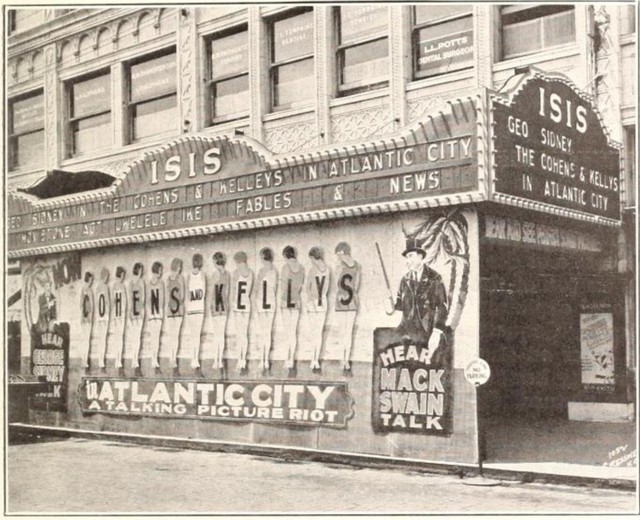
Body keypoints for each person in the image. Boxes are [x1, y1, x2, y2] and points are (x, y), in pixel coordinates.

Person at [393, 237, 448, 363]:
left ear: (420, 256)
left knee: (427, 371)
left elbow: (442, 307)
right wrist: (390, 308)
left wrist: (437, 332)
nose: (408, 261)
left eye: (411, 256)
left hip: (427, 335)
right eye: (406, 257)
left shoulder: (435, 278)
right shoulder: (404, 279)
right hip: (408, 336)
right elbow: (399, 307)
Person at [334, 241, 360, 371]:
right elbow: (356, 287)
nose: (338, 258)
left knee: (345, 333)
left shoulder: (341, 267)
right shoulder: (357, 266)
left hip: (343, 301)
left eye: (339, 255)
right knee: (346, 333)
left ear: (343, 253)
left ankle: (344, 359)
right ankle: (345, 360)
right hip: (350, 302)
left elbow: (336, 285)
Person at [179, 254, 206, 370]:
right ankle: (196, 360)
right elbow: (204, 292)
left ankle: (193, 359)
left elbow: (186, 294)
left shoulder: (188, 276)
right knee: (197, 336)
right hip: (199, 308)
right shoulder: (202, 275)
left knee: (193, 335)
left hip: (191, 309)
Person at [280, 245, 304, 369]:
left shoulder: (285, 267)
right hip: (296, 300)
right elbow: (299, 287)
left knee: (287, 332)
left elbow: (283, 287)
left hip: (286, 300)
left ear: (285, 256)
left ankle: (287, 359)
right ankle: (291, 359)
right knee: (293, 332)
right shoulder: (301, 268)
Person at [306, 246, 330, 370]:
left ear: (314, 257)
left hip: (316, 302)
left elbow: (308, 288)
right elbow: (324, 289)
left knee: (315, 333)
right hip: (321, 302)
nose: (311, 261)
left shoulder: (313, 270)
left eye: (311, 259)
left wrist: (311, 301)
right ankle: (314, 360)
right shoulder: (327, 269)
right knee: (317, 333)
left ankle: (314, 360)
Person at [255, 247, 277, 371]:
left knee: (263, 332)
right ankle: (266, 360)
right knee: (267, 333)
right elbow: (274, 289)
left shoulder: (261, 271)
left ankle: (262, 360)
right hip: (270, 304)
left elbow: (257, 289)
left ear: (263, 257)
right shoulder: (274, 271)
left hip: (262, 304)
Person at [231, 251, 253, 371]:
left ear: (239, 262)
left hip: (238, 307)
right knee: (244, 335)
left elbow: (234, 292)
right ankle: (243, 360)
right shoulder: (251, 273)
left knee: (240, 335)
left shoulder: (236, 273)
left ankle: (240, 360)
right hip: (246, 306)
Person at [141, 261, 164, 370]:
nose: (161, 272)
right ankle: (154, 360)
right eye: (160, 270)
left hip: (152, 314)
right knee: (156, 338)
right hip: (158, 314)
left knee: (153, 338)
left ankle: (153, 359)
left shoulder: (148, 284)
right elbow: (162, 300)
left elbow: (147, 301)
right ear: (158, 271)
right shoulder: (160, 284)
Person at [209, 252, 230, 369]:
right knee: (220, 335)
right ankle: (220, 360)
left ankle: (215, 360)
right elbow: (226, 293)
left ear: (216, 261)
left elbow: (212, 293)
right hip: (224, 306)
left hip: (216, 306)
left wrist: (211, 307)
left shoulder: (214, 275)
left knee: (216, 334)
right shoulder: (227, 274)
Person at [124, 262, 145, 371]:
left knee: (134, 338)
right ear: (139, 270)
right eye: (141, 270)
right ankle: (135, 361)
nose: (142, 272)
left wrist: (130, 313)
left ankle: (134, 361)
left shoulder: (130, 283)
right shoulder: (140, 282)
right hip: (138, 312)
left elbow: (129, 301)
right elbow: (142, 299)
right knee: (137, 338)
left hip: (133, 312)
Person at [106, 266, 127, 370]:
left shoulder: (113, 286)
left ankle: (116, 360)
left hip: (115, 316)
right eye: (123, 275)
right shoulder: (122, 286)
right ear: (122, 275)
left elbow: (111, 303)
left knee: (116, 339)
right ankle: (118, 361)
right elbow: (123, 303)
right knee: (120, 339)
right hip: (121, 316)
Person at [90, 267, 110, 369]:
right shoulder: (105, 287)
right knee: (103, 340)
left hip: (99, 317)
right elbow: (106, 302)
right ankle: (101, 361)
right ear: (105, 277)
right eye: (107, 276)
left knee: (100, 340)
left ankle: (99, 360)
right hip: (105, 317)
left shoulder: (97, 287)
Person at [80, 271, 95, 368]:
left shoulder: (82, 290)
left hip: (83, 317)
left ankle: (83, 360)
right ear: (89, 279)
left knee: (83, 340)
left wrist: (82, 317)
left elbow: (80, 305)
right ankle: (85, 361)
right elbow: (92, 306)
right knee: (87, 340)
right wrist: (90, 317)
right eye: (91, 280)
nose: (91, 281)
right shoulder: (89, 290)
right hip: (88, 317)